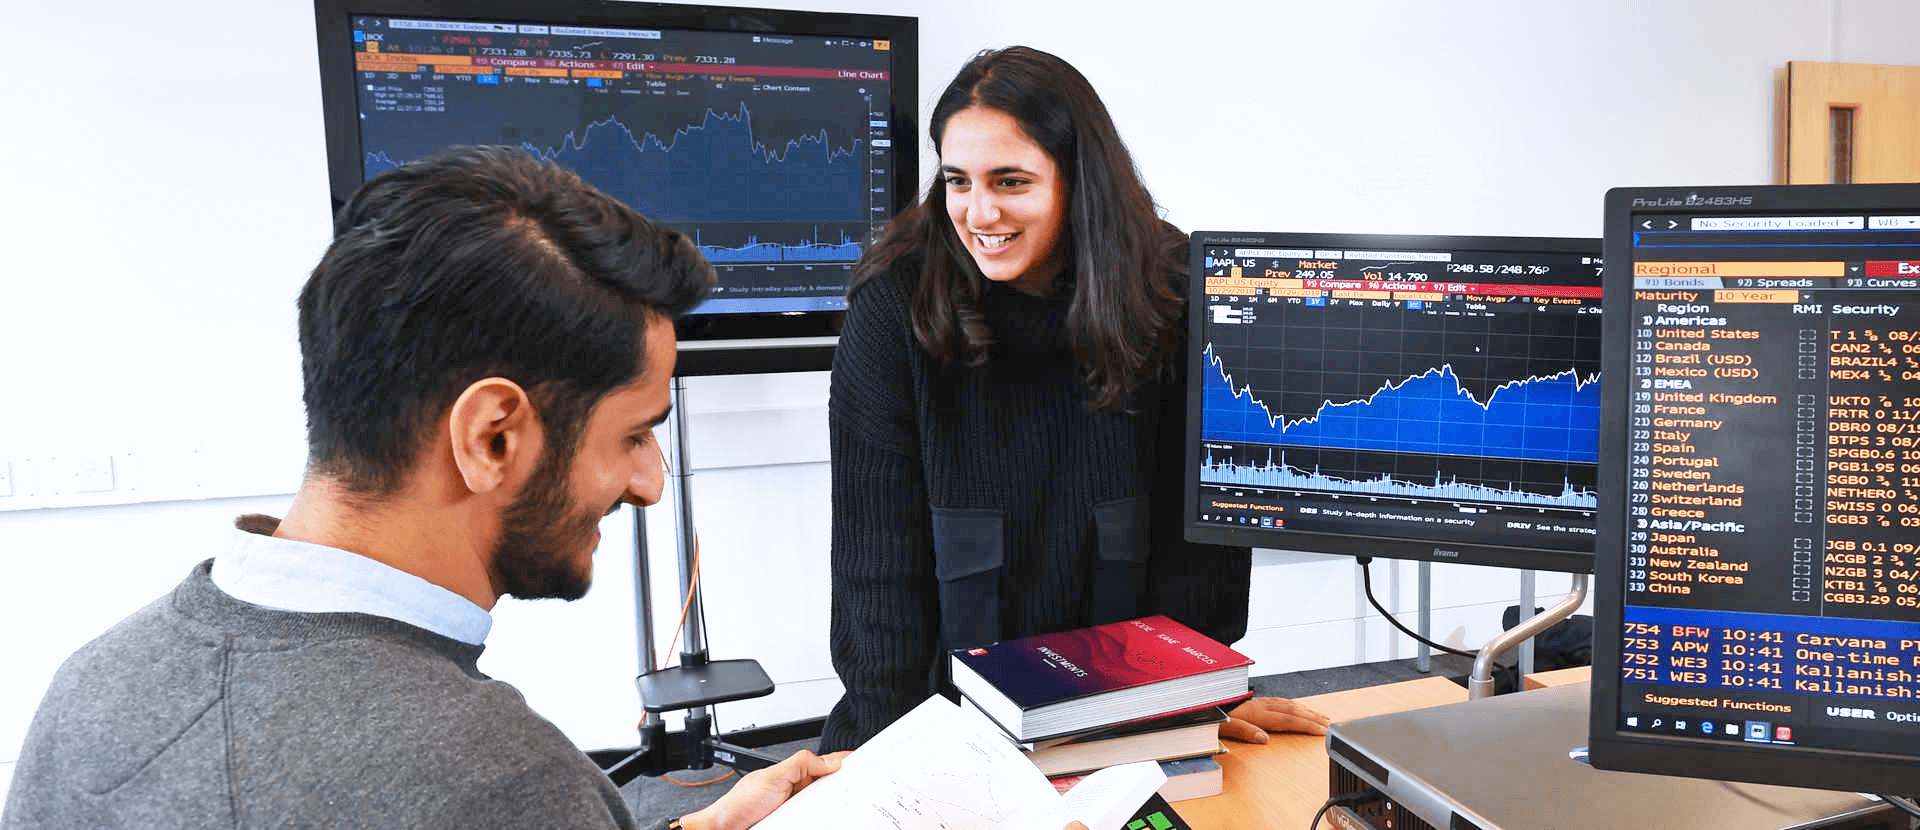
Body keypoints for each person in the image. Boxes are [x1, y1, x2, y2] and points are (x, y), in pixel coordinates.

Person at [1, 146, 832, 830]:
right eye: (634, 436)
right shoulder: (499, 782)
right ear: (491, 437)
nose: (650, 484)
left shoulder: (92, 687)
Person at [822, 46, 1332, 753]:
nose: (979, 212)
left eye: (1011, 181)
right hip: (941, 725)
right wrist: (898, 762)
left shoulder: (1173, 290)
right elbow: (877, 578)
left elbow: (1199, 563)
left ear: (1078, 180)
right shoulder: (893, 306)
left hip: (1128, 715)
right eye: (958, 181)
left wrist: (1199, 703)